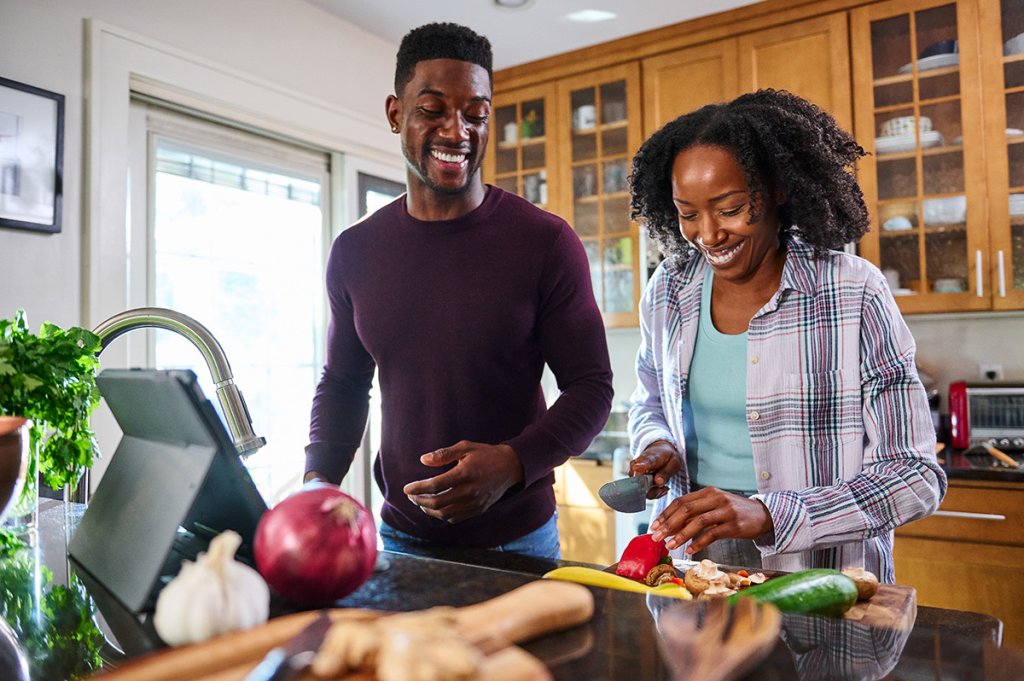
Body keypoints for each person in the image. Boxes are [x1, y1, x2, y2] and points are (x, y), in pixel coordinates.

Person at [305, 22, 614, 561]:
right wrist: (316, 485)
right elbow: (344, 383)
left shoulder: (545, 241)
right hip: (400, 540)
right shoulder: (355, 252)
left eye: (477, 114)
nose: (457, 131)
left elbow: (591, 387)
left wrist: (513, 463)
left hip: (519, 543)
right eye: (432, 110)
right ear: (396, 113)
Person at [626, 89, 946, 581]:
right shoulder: (670, 288)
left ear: (776, 189)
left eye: (729, 209)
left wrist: (770, 514)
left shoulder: (852, 290)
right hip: (691, 565)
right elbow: (649, 399)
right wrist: (657, 442)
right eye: (688, 214)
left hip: (823, 570)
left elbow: (915, 476)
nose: (708, 235)